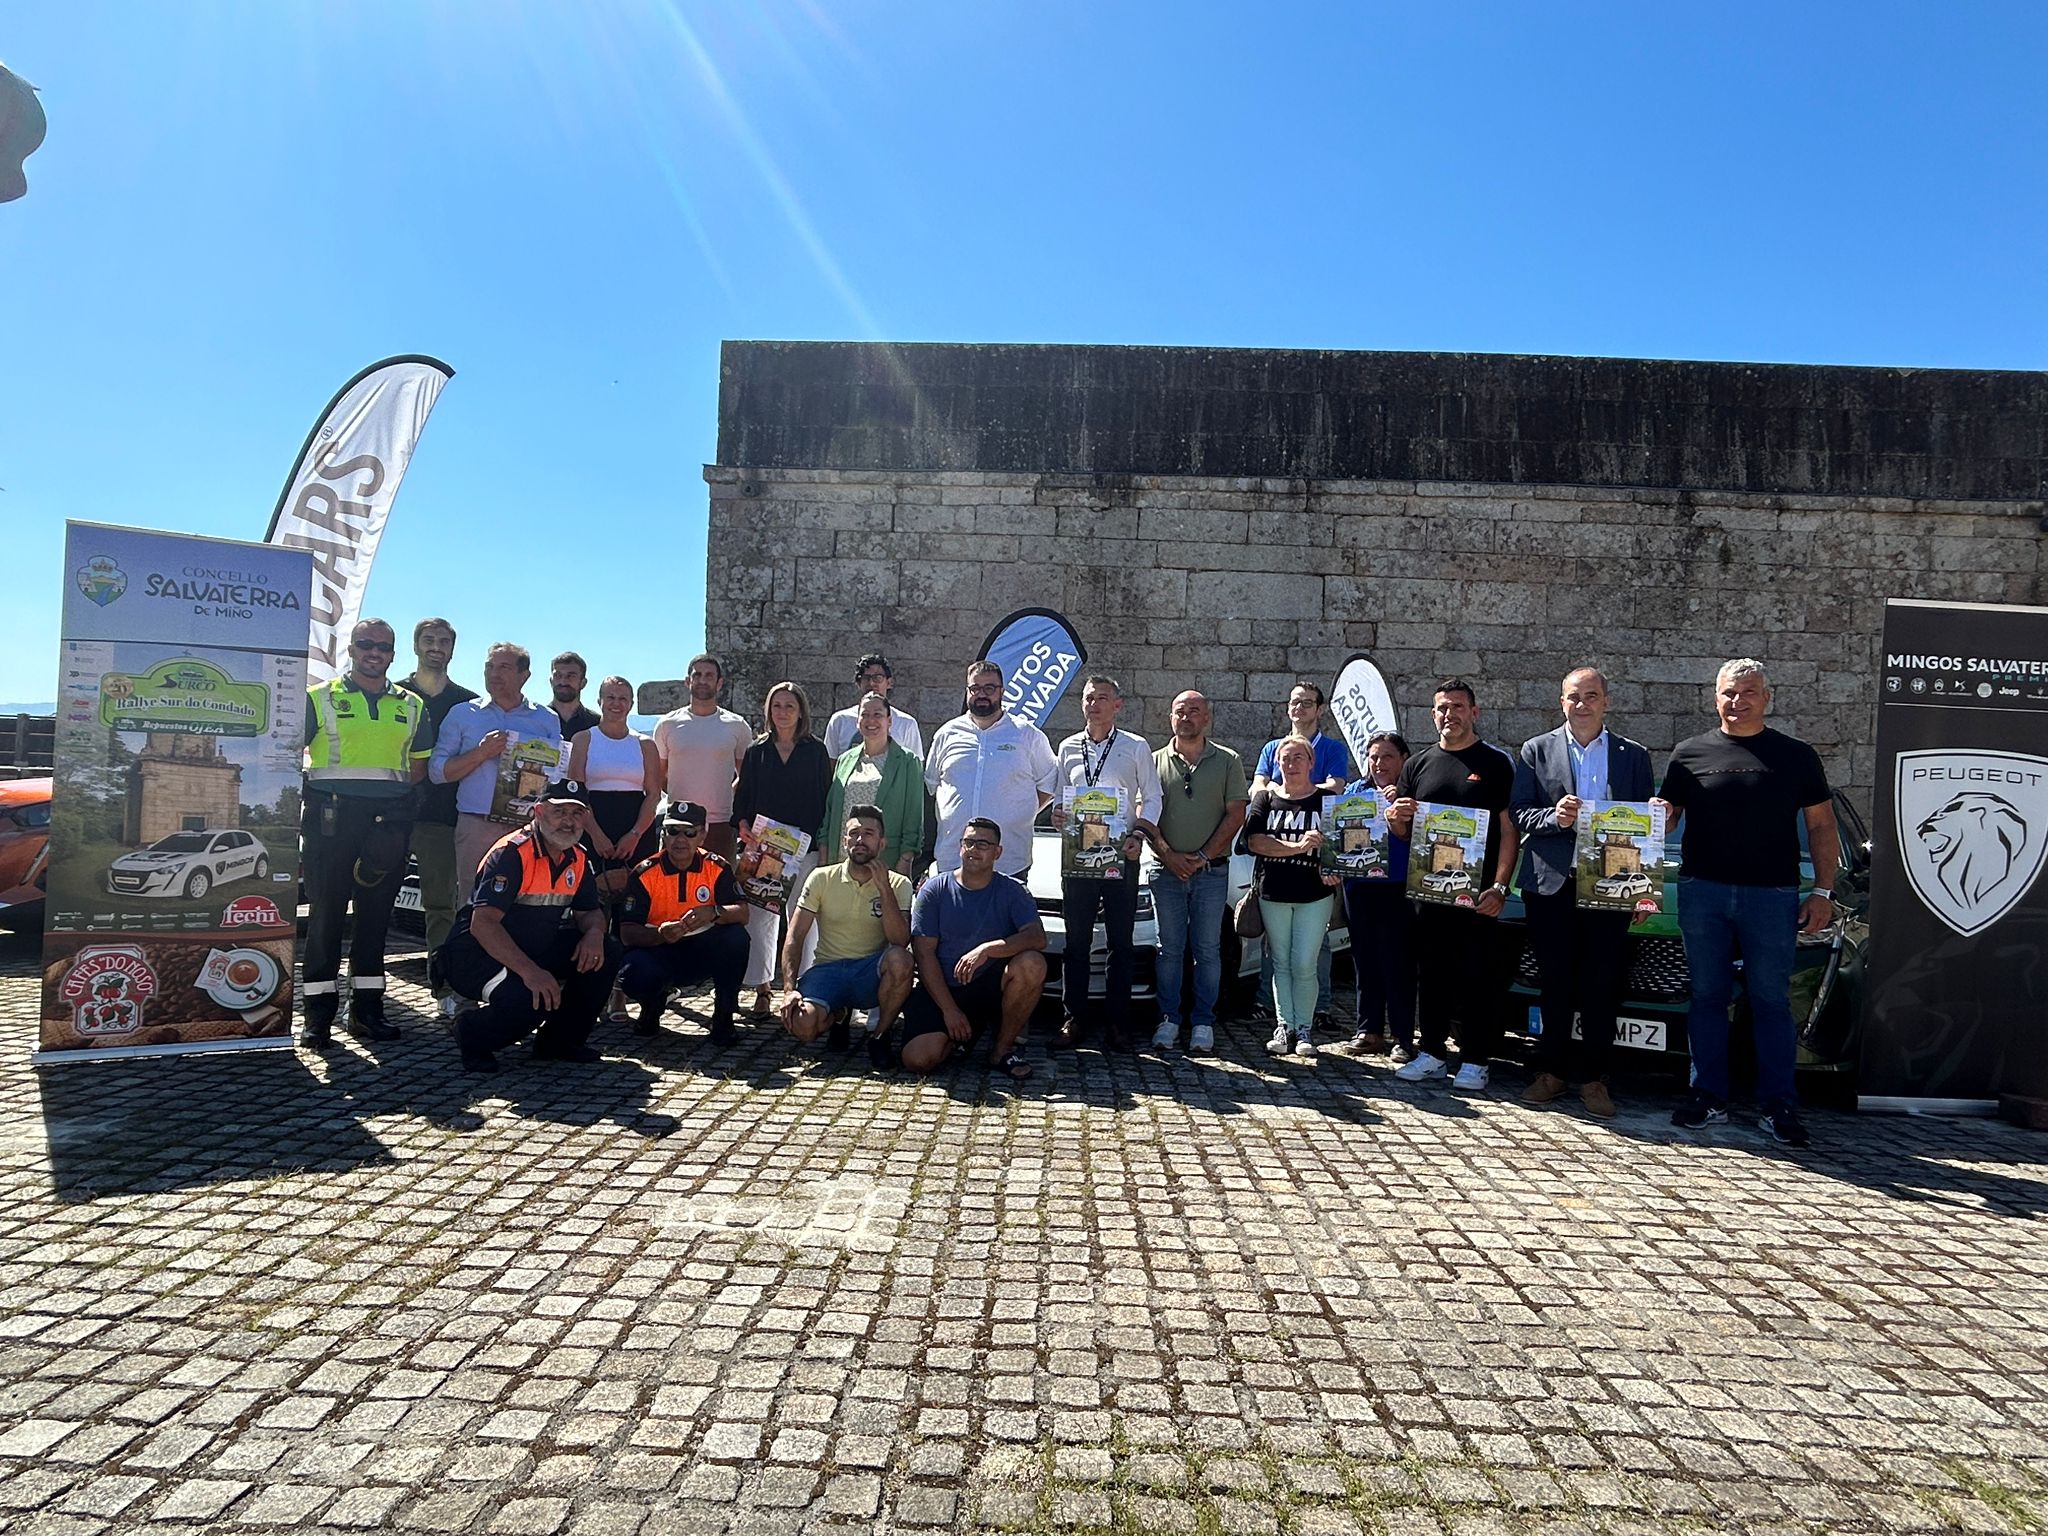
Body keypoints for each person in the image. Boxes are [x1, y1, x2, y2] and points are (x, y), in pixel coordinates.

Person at [1656, 658, 1838, 1148]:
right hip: (1703, 891)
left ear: (1766, 697)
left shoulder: (1797, 756)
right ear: (1715, 697)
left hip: (1772, 896)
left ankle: (1778, 1104)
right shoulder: (1688, 753)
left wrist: (1823, 890)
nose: (1737, 702)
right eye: (1728, 694)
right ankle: (1707, 1096)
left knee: (1770, 1001)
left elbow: (1822, 826)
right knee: (1708, 997)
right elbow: (1667, 821)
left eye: (1748, 693)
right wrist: (1659, 814)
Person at [1511, 667, 1656, 1119]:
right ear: (1562, 701)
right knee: (1554, 982)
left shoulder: (1634, 756)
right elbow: (1519, 813)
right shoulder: (1536, 750)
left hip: (1610, 885)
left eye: (1591, 696)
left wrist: (1643, 892)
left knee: (1601, 984)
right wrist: (1555, 818)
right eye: (1574, 696)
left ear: (1606, 701)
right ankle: (1550, 1072)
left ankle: (1594, 1079)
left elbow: (1644, 829)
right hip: (1552, 883)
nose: (1583, 704)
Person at [299, 618, 430, 1048]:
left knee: (375, 922)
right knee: (325, 920)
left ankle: (368, 1014)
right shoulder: (318, 699)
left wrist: (388, 811)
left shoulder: (412, 705)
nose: (374, 652)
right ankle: (318, 1018)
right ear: (351, 650)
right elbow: (289, 754)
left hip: (386, 825)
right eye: (366, 645)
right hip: (330, 822)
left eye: (383, 647)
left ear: (394, 655)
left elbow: (418, 766)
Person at [1389, 679, 1521, 1091]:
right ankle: (1430, 1053)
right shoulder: (1418, 765)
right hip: (1429, 893)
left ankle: (1476, 1060)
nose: (1450, 715)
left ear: (1474, 712)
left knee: (1476, 978)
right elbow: (1403, 833)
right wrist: (1397, 816)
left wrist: (1499, 887)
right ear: (1434, 715)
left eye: (1458, 707)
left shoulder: (1497, 763)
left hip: (1478, 896)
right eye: (1443, 708)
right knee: (1431, 975)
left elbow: (1509, 831)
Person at [440, 783, 622, 1073]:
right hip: (476, 955)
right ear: (538, 812)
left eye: (576, 813)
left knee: (607, 950)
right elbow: (483, 925)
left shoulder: (578, 856)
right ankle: (470, 1032)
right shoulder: (512, 853)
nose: (569, 821)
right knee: (533, 1000)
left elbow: (590, 912)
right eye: (559, 811)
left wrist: (594, 934)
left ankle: (559, 1042)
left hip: (531, 947)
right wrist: (532, 973)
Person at [1050, 676, 1161, 1053]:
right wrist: (1058, 816)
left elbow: (1153, 795)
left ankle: (1119, 1024)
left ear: (1118, 705)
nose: (1094, 704)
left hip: (1121, 855)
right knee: (1076, 943)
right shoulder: (1066, 747)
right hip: (1078, 857)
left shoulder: (1135, 746)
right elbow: (1060, 802)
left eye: (1102, 698)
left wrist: (1140, 836)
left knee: (1120, 944)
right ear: (1080, 704)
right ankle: (1073, 1018)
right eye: (1088, 698)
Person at [901, 820, 1047, 1079]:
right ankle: (960, 1037)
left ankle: (1001, 1050)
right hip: (941, 988)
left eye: (983, 844)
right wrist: (949, 1010)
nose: (974, 849)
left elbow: (1037, 937)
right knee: (917, 1059)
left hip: (987, 986)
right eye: (969, 842)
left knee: (1032, 963)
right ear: (960, 847)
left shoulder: (1013, 890)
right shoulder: (934, 890)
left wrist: (989, 949)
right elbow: (923, 955)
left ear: (997, 853)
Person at [1145, 691, 1248, 1054]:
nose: (1186, 717)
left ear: (1207, 718)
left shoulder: (1228, 761)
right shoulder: (1152, 761)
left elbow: (1236, 814)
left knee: (1207, 950)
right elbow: (1145, 818)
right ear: (1169, 717)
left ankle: (1203, 1021)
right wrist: (1169, 855)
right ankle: (1169, 1019)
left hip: (1212, 872)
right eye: (1179, 711)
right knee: (1168, 950)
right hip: (1165, 871)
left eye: (1194, 711)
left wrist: (1204, 855)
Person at [779, 806, 915, 1068]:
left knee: (901, 960)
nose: (860, 840)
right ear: (845, 842)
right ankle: (838, 1015)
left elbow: (900, 940)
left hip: (869, 972)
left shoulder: (899, 883)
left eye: (868, 834)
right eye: (853, 834)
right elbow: (795, 936)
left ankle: (879, 1036)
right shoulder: (821, 878)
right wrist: (788, 990)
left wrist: (884, 888)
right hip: (827, 970)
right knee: (802, 1027)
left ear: (882, 842)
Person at [1250, 682, 1349, 1028]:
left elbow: (1336, 788)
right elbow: (1257, 787)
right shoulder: (1272, 748)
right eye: (1294, 702)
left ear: (1319, 709)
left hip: (1315, 871)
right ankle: (1274, 1010)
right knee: (1275, 949)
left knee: (1311, 949)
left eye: (1307, 703)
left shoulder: (1333, 749)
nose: (1299, 708)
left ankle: (1316, 1010)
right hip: (1275, 868)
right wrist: (1288, 792)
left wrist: (1294, 793)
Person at [733, 681, 833, 1017]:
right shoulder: (756, 751)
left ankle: (805, 987)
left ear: (801, 711)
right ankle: (762, 988)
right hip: (763, 850)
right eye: (777, 706)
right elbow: (742, 801)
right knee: (760, 918)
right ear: (768, 711)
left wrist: (822, 844)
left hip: (803, 849)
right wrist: (744, 827)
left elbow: (825, 800)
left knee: (804, 919)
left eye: (790, 706)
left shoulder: (815, 752)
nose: (783, 712)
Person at [565, 675, 661, 1022]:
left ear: (631, 704)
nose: (616, 703)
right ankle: (590, 990)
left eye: (623, 698)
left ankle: (620, 992)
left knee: (631, 911)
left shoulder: (645, 744)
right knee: (593, 911)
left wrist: (634, 834)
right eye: (610, 697)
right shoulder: (584, 739)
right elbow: (576, 790)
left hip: (636, 830)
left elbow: (653, 794)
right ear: (600, 700)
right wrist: (597, 834)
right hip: (592, 828)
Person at [430, 642, 564, 887]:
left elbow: (556, 777)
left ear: (525, 676)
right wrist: (481, 753)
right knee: (472, 900)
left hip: (527, 827)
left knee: (524, 900)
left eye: (504, 667)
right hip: (476, 825)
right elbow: (437, 773)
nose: (494, 674)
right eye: (489, 667)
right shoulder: (462, 714)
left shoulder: (546, 719)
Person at [616, 802, 750, 1044]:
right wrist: (660, 934)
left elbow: (742, 912)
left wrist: (714, 912)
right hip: (659, 950)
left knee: (737, 939)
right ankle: (651, 1008)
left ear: (702, 835)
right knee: (633, 974)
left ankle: (724, 1017)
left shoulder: (717, 867)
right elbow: (627, 932)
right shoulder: (644, 873)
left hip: (703, 951)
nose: (680, 839)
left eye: (689, 832)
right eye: (673, 831)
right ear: (663, 834)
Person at [1243, 736, 1343, 1059]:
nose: (1291, 764)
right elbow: (1255, 841)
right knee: (1280, 962)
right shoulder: (1265, 799)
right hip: (1273, 892)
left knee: (1304, 962)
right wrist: (1298, 846)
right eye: (1285, 758)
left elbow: (1344, 845)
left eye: (1298, 757)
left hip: (1314, 894)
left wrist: (1336, 866)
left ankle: (1304, 1028)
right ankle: (1284, 1026)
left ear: (1311, 763)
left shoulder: (1327, 801)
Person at [924, 659, 1057, 878]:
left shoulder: (1027, 735)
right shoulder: (947, 734)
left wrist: (1019, 814)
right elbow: (932, 786)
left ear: (1002, 692)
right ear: (967, 691)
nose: (982, 694)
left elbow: (1049, 785)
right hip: (951, 859)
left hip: (1009, 861)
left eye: (989, 688)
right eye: (975, 688)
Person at [396, 617, 477, 977]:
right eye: (428, 640)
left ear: (452, 649)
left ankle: (443, 985)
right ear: (416, 646)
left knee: (442, 907)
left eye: (443, 641)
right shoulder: (393, 694)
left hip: (441, 817)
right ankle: (364, 992)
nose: (435, 647)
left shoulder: (468, 704)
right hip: (389, 814)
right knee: (372, 904)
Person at [1338, 731, 1417, 1060]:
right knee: (1364, 958)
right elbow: (1339, 835)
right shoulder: (1356, 791)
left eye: (1387, 757)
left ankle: (1402, 1036)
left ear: (1402, 760)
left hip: (1398, 888)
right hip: (1359, 887)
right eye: (1373, 757)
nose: (1379, 763)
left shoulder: (1411, 794)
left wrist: (1394, 804)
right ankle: (1368, 1030)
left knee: (1397, 963)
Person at [651, 654, 754, 864]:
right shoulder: (667, 725)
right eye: (697, 675)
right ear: (687, 681)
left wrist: (727, 791)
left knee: (720, 889)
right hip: (678, 823)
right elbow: (659, 776)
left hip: (721, 823)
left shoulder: (737, 726)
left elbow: (747, 776)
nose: (702, 680)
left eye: (709, 675)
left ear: (719, 683)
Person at [819, 691, 925, 878]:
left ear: (889, 721)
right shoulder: (845, 760)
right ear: (857, 721)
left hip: (884, 863)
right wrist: (824, 855)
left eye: (878, 714)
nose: (871, 720)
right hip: (842, 862)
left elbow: (913, 816)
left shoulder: (908, 762)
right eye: (865, 715)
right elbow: (830, 812)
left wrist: (906, 859)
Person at [823, 653, 923, 759]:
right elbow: (831, 765)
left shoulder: (906, 724)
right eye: (866, 678)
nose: (871, 683)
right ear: (858, 683)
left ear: (889, 683)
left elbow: (916, 767)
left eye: (878, 678)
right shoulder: (840, 721)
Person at [547, 651, 602, 741]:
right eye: (558, 675)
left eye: (571, 676)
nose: (563, 681)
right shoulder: (537, 719)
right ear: (551, 681)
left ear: (583, 683)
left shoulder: (596, 724)